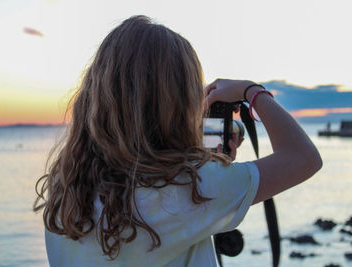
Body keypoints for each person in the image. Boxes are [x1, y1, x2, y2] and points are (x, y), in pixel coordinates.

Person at [34, 15, 322, 266]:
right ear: (178, 103)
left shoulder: (67, 185)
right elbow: (303, 158)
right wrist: (252, 92)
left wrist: (205, 164)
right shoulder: (189, 188)